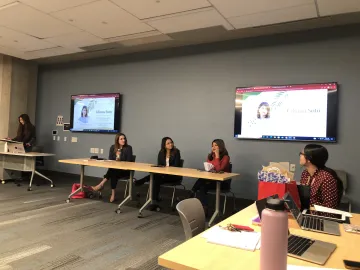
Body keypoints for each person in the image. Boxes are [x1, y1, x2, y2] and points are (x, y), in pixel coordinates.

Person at [135, 137, 182, 203]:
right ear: (164, 145)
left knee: (155, 178)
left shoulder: (176, 152)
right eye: (168, 143)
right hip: (163, 175)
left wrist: (165, 169)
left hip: (173, 176)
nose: (170, 144)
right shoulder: (161, 152)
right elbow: (160, 165)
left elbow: (176, 166)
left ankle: (143, 183)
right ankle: (154, 199)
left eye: (171, 142)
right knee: (155, 178)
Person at [190, 139, 231, 212]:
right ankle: (204, 206)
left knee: (202, 183)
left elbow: (218, 169)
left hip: (222, 182)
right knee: (202, 183)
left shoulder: (225, 157)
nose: (213, 147)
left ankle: (191, 194)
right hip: (212, 180)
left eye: (216, 145)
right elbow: (208, 167)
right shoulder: (211, 156)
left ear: (220, 146)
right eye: (212, 146)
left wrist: (217, 156)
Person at [92, 133, 133, 202]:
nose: (124, 140)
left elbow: (128, 161)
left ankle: (101, 185)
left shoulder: (128, 148)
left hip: (125, 170)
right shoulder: (113, 147)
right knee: (113, 171)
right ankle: (112, 193)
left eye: (124, 139)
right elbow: (110, 159)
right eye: (121, 139)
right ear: (117, 140)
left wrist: (120, 157)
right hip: (115, 170)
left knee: (112, 171)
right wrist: (116, 159)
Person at [299, 144, 343, 209]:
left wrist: (311, 207)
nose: (299, 156)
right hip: (306, 212)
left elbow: (330, 209)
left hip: (321, 216)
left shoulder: (326, 178)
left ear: (309, 159)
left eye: (301, 154)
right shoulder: (305, 173)